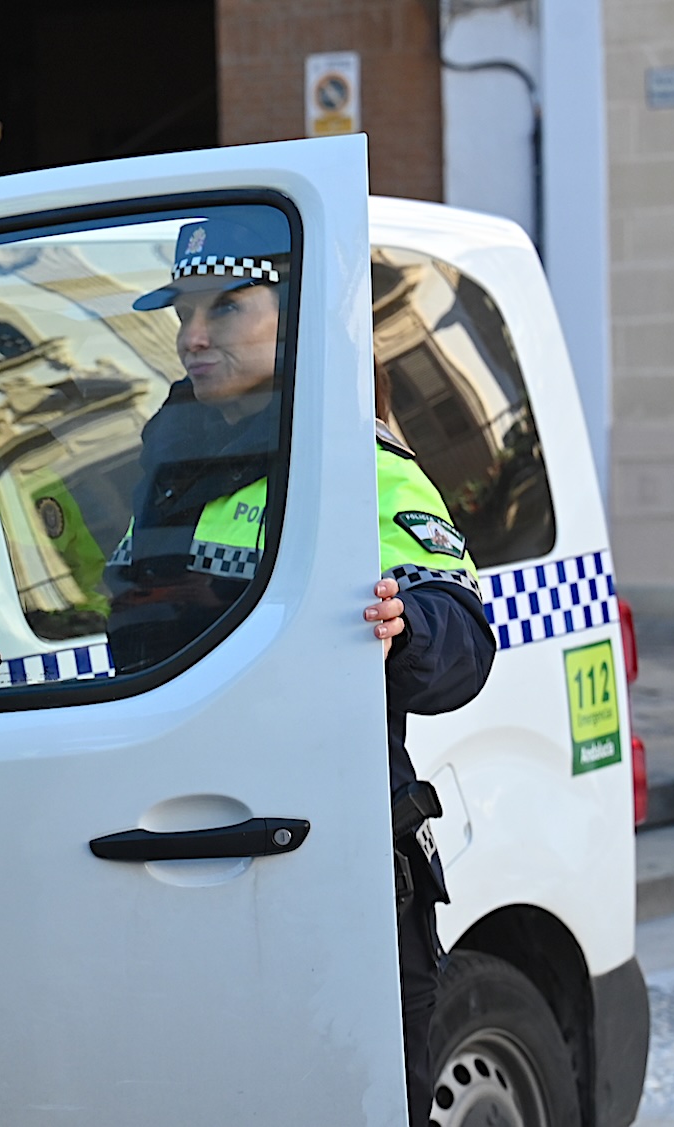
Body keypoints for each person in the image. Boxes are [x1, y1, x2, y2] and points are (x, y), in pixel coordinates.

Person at [109, 214, 498, 1127]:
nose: (193, 334)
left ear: (297, 314)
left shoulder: (353, 461)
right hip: (182, 848)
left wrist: (409, 632)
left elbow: (462, 637)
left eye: (226, 307)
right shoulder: (167, 459)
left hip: (329, 866)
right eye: (183, 311)